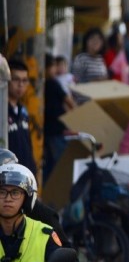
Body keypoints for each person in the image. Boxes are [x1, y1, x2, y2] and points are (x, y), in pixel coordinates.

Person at [43, 54, 75, 182]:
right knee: (60, 165)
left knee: (50, 165)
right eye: (52, 66)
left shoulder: (43, 84)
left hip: (48, 130)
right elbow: (69, 101)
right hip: (56, 130)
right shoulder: (53, 83)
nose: (55, 69)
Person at [7, 59, 36, 176]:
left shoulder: (23, 111)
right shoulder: (2, 110)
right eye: (16, 79)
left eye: (24, 80)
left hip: (25, 176)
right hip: (8, 178)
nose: (21, 85)